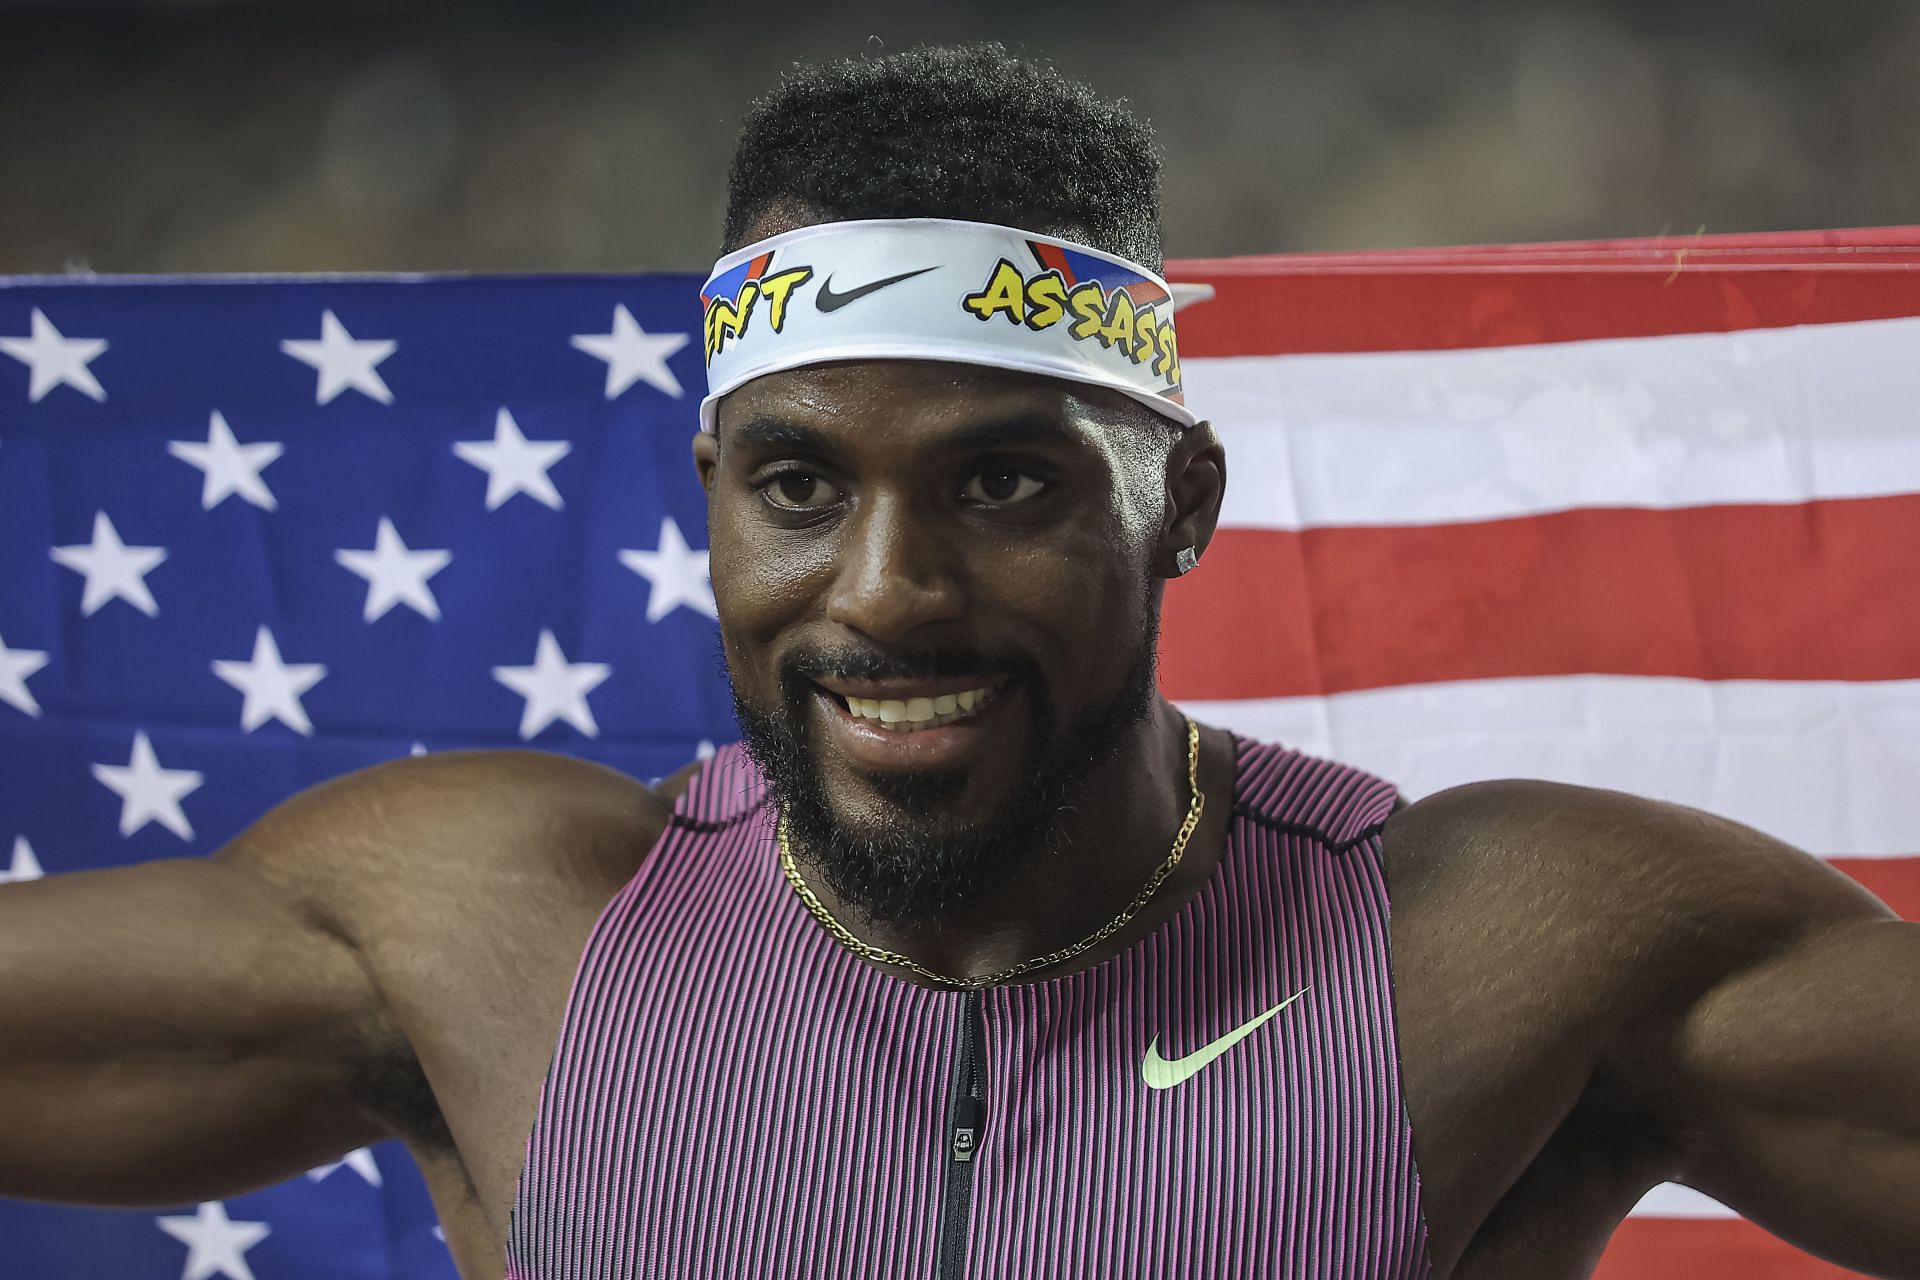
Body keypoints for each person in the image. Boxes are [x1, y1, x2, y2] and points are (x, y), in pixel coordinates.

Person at [2, 42, 1916, 1280]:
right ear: (712, 497)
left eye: (1004, 481)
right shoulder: (491, 929)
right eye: (801, 484)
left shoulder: (1508, 946)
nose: (890, 591)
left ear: (1179, 504)